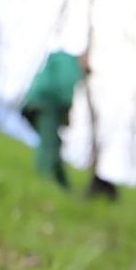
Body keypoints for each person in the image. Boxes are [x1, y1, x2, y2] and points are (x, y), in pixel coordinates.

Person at [20, 51, 89, 188]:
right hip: (47, 104)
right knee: (49, 144)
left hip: (36, 101)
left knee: (54, 143)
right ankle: (41, 178)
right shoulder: (72, 66)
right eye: (86, 71)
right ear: (83, 59)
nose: (83, 76)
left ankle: (64, 185)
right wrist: (66, 112)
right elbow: (65, 86)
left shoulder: (62, 60)